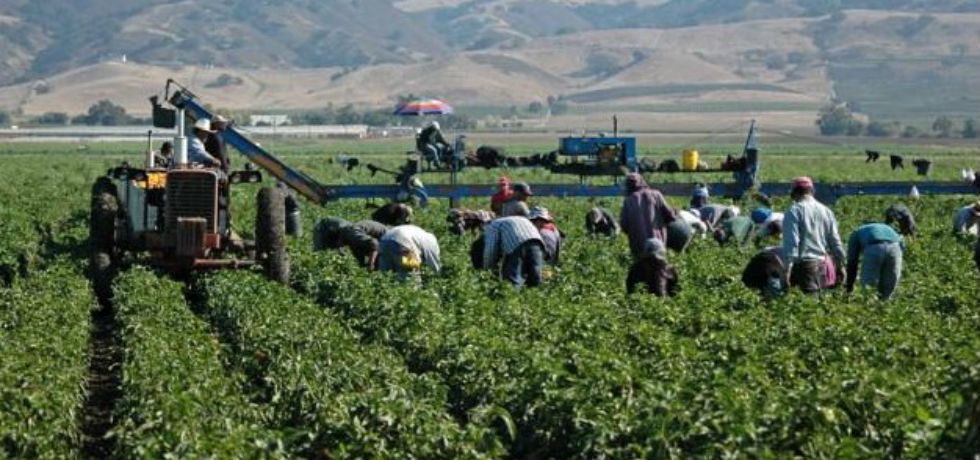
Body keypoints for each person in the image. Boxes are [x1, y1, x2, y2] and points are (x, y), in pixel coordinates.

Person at [781, 176, 846, 294]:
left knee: (807, 304)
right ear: (812, 191)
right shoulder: (826, 211)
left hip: (805, 266)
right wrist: (841, 265)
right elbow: (835, 241)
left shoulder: (794, 210)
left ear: (794, 192)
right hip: (823, 264)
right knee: (820, 303)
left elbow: (792, 241)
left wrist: (787, 268)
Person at [620, 173, 677, 258]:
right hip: (657, 242)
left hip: (638, 245)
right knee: (659, 265)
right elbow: (670, 216)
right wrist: (675, 212)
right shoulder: (656, 194)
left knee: (642, 268)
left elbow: (624, 225)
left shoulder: (628, 201)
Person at [479, 216, 544, 287]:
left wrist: (488, 270)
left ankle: (513, 295)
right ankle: (536, 294)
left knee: (514, 278)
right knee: (535, 275)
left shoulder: (491, 227)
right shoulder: (509, 220)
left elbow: (490, 251)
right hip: (537, 241)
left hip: (516, 242)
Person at [845, 223, 905, 300]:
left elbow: (852, 262)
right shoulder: (888, 228)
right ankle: (884, 305)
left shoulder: (856, 232)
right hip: (895, 248)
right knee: (889, 286)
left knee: (868, 287)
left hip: (874, 247)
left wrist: (849, 289)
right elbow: (902, 245)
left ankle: (869, 307)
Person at [313, 217, 388, 269]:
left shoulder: (354, 236)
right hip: (323, 227)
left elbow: (374, 244)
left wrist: (370, 263)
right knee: (320, 254)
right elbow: (373, 244)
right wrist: (368, 264)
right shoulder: (353, 238)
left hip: (387, 238)